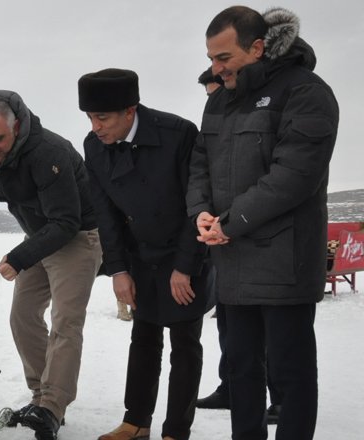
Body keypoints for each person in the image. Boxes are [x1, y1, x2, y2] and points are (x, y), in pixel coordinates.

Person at [188, 6, 339, 439]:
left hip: (283, 263)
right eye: (211, 57)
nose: (214, 68)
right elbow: (200, 164)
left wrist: (231, 221)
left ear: (257, 48)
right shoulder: (220, 100)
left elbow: (293, 176)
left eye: (223, 58)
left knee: (289, 375)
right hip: (231, 259)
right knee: (241, 370)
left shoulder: (307, 92)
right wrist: (200, 210)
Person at [0, 90, 102, 440]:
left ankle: (52, 408)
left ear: (17, 127)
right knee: (23, 315)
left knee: (65, 322)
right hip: (39, 237)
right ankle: (40, 396)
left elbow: (66, 222)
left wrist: (18, 258)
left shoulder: (49, 152)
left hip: (76, 238)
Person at [78, 68, 209, 440]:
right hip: (140, 254)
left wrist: (185, 266)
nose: (95, 126)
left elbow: (196, 203)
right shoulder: (94, 146)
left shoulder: (178, 134)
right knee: (144, 337)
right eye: (89, 117)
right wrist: (118, 269)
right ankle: (136, 422)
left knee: (185, 343)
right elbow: (106, 214)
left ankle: (175, 431)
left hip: (185, 250)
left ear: (130, 110)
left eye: (102, 117)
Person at [194, 68, 284, 425]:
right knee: (229, 323)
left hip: (260, 241)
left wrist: (234, 220)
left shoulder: (260, 128)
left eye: (218, 91)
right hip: (222, 242)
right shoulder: (217, 132)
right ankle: (230, 385)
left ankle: (281, 399)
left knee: (269, 326)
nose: (216, 100)